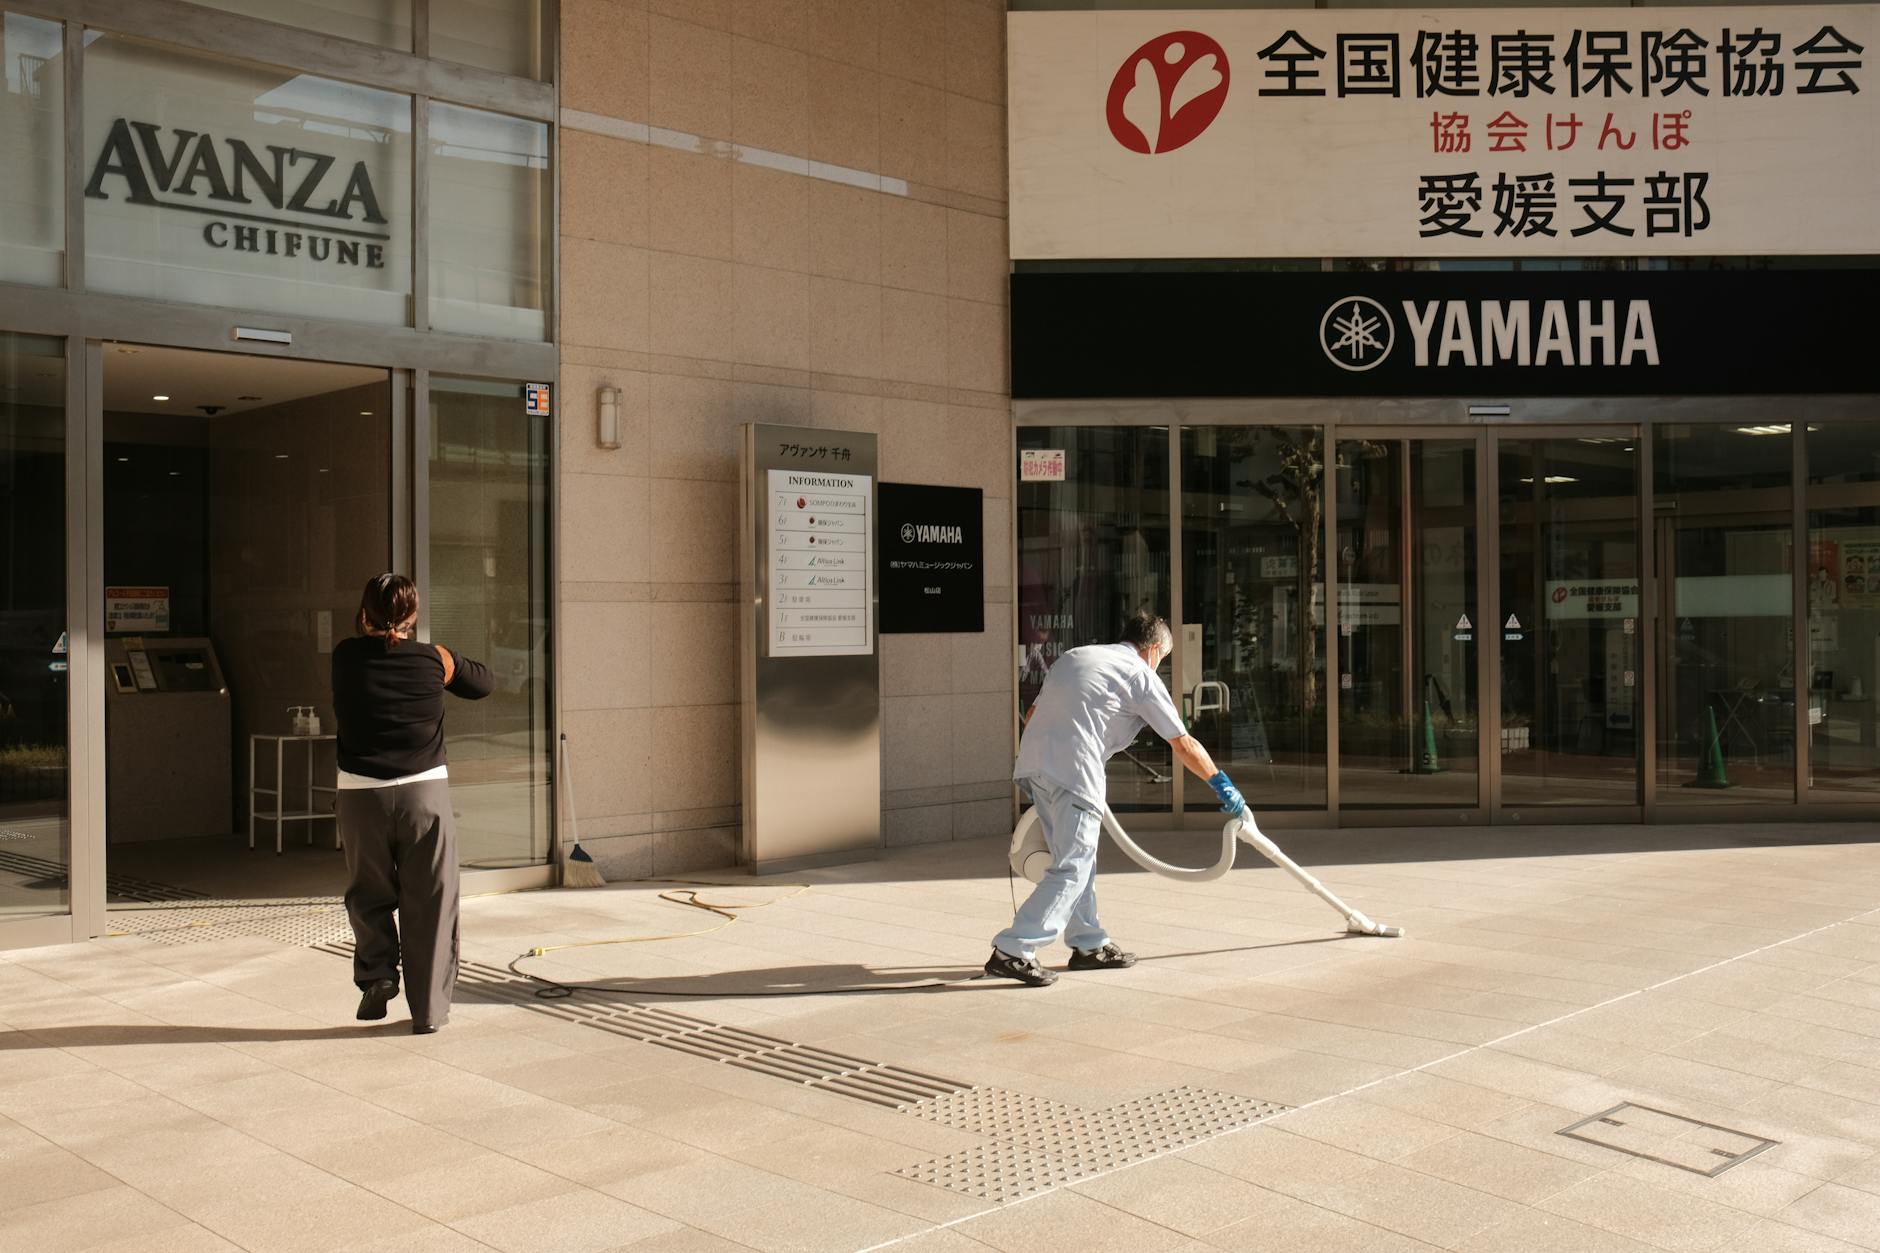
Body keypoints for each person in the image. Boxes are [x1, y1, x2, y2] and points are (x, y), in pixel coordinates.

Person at [986, 611, 1246, 987]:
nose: (1159, 665)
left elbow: (1033, 713)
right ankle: (1014, 949)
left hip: (1034, 765)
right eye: (1163, 659)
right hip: (1074, 770)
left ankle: (1089, 944)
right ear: (1154, 649)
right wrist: (1222, 784)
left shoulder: (1077, 656)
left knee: (1075, 861)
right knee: (1073, 867)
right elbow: (1182, 743)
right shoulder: (1140, 674)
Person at [331, 573, 493, 1032]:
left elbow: (374, 653)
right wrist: (447, 659)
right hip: (424, 794)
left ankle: (379, 974)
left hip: (362, 795)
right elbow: (483, 683)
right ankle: (428, 1010)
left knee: (368, 892)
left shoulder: (345, 657)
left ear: (364, 614)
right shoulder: (431, 661)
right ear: (413, 616)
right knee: (431, 900)